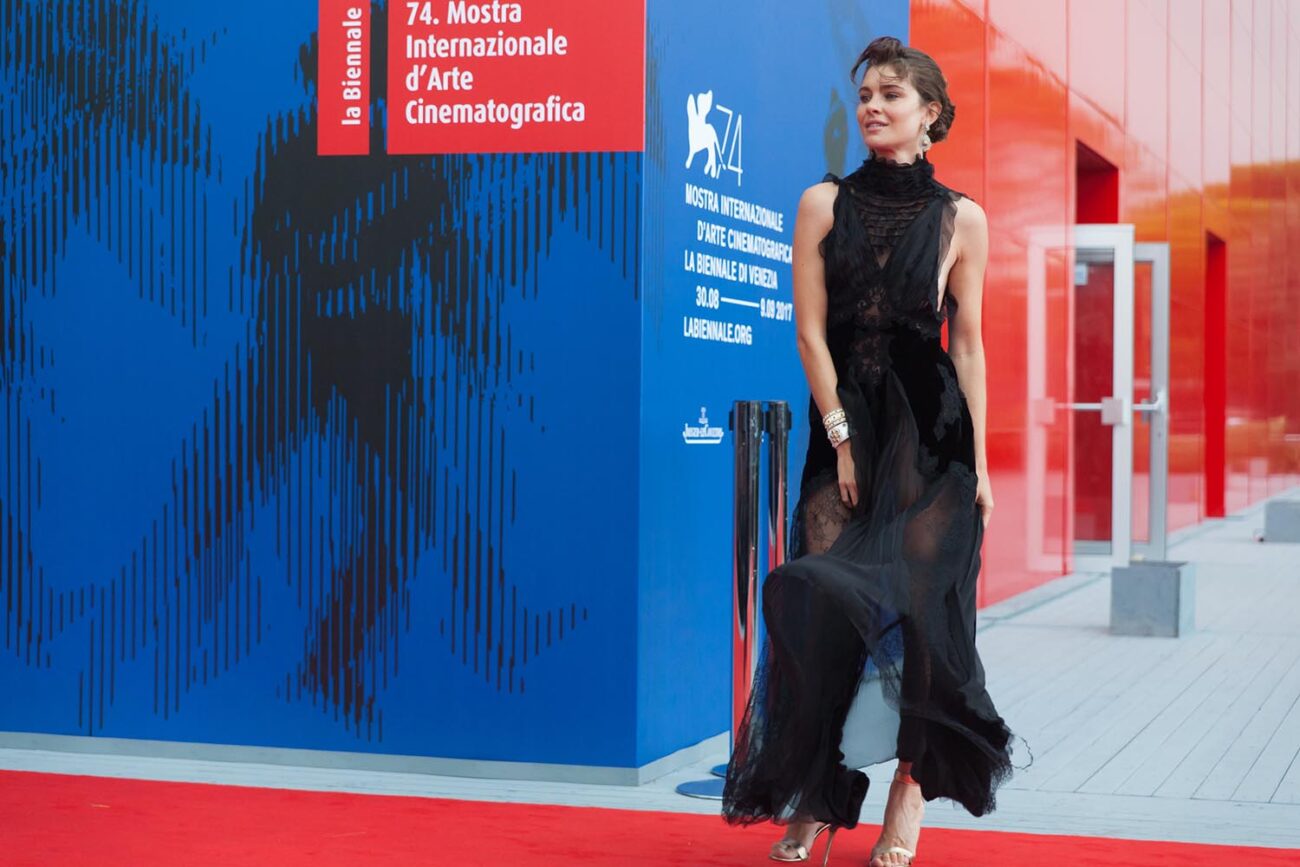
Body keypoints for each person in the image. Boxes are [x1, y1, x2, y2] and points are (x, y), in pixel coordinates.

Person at [721, 36, 1026, 867]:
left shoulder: (963, 217)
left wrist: (984, 466)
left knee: (927, 619)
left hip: (932, 436)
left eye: (891, 94)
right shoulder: (821, 203)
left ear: (930, 113)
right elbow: (810, 335)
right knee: (825, 609)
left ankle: (909, 790)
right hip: (846, 424)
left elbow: (968, 346)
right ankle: (820, 792)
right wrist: (841, 439)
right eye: (864, 95)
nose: (871, 107)